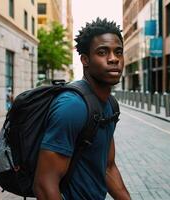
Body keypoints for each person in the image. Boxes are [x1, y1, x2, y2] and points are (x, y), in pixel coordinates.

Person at [33, 18, 131, 200]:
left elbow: (108, 166)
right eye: (103, 52)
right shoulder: (72, 106)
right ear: (85, 59)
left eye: (118, 52)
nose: (113, 59)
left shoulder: (110, 104)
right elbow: (44, 185)